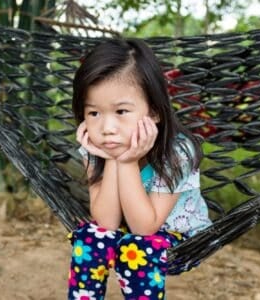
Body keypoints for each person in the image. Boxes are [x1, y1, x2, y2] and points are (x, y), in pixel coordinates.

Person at [67, 38, 212, 300]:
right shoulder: (93, 148)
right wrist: (113, 158)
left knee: (139, 247)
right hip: (127, 228)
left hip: (176, 234)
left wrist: (128, 161)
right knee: (89, 236)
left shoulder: (178, 153)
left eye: (121, 111)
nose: (107, 127)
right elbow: (107, 222)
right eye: (94, 113)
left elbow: (145, 228)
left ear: (154, 112)